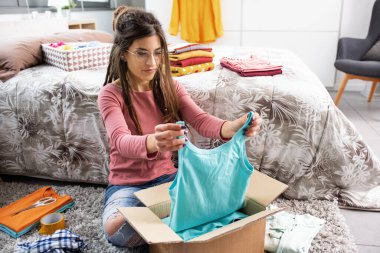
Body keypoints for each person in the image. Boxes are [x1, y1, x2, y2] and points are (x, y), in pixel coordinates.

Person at [98, 6, 262, 250]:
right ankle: (183, 220)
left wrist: (232, 126)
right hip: (128, 185)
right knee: (117, 231)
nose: (152, 62)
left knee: (233, 197)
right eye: (142, 53)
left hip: (169, 180)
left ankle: (174, 221)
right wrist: (153, 142)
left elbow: (201, 120)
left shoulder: (170, 87)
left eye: (157, 52)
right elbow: (121, 141)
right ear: (123, 54)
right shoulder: (110, 94)